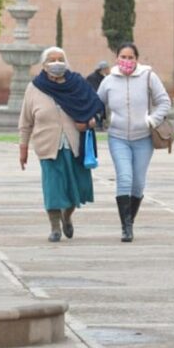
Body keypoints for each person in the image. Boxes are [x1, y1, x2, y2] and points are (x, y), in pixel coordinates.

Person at [19, 47, 104, 242]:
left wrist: (89, 122)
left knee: (76, 187)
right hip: (48, 146)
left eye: (60, 59)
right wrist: (23, 149)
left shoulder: (78, 83)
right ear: (43, 64)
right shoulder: (34, 87)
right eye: (51, 59)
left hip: (75, 145)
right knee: (53, 188)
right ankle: (55, 227)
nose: (56, 63)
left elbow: (95, 108)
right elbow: (25, 122)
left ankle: (67, 215)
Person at [97, 42, 171, 242]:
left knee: (138, 182)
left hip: (143, 139)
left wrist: (152, 120)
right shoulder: (109, 81)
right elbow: (97, 103)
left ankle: (130, 220)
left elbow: (164, 102)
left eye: (131, 58)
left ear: (137, 59)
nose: (127, 61)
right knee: (124, 177)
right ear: (117, 59)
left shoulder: (148, 77)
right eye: (123, 57)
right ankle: (125, 227)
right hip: (117, 137)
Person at [86, 61, 110, 130]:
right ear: (103, 69)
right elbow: (95, 90)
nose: (108, 70)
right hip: (94, 101)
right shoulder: (92, 77)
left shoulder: (105, 78)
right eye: (107, 68)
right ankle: (98, 125)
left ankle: (102, 124)